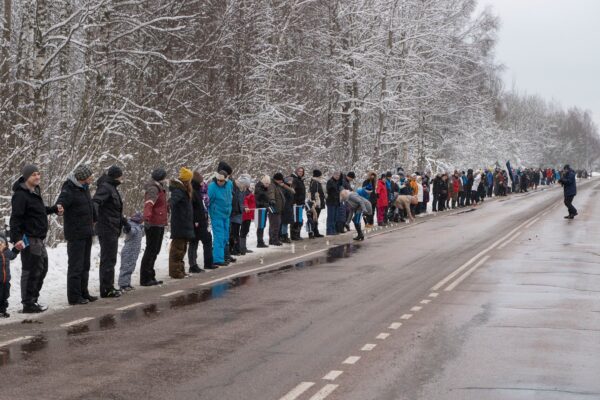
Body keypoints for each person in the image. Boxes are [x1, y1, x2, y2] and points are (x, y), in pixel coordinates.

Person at [10, 164, 61, 313]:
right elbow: (16, 219)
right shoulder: (20, 195)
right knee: (31, 270)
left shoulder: (34, 192)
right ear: (26, 177)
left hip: (39, 238)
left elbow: (38, 211)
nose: (38, 177)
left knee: (42, 269)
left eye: (38, 174)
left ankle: (33, 299)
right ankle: (28, 303)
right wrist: (17, 238)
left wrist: (53, 209)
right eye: (34, 174)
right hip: (29, 238)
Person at [56, 164, 98, 305]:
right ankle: (74, 297)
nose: (92, 178)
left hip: (86, 232)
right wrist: (60, 207)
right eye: (90, 176)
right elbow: (61, 203)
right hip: (75, 234)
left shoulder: (84, 189)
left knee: (85, 264)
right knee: (76, 266)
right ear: (83, 177)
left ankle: (83, 292)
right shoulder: (69, 189)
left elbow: (89, 206)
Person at [93, 166, 128, 298]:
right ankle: (106, 289)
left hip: (112, 227)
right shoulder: (105, 187)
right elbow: (96, 202)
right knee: (108, 259)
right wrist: (94, 218)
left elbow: (114, 210)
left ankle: (109, 286)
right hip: (106, 228)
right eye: (120, 176)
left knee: (110, 259)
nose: (122, 178)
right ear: (116, 176)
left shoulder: (111, 187)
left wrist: (124, 222)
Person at [140, 168, 168, 287]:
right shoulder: (153, 188)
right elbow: (149, 204)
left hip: (159, 222)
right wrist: (147, 218)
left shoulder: (159, 187)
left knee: (155, 250)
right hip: (153, 223)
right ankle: (145, 277)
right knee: (151, 250)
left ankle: (151, 275)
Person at [169, 167, 195, 277]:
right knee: (177, 250)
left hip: (184, 224)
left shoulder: (183, 190)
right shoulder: (179, 191)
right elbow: (171, 202)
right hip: (180, 224)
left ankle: (180, 269)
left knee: (182, 249)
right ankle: (175, 272)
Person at [208, 164, 234, 266]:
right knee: (219, 236)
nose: (220, 182)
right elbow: (208, 200)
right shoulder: (212, 187)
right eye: (218, 180)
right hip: (217, 215)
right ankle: (217, 259)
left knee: (225, 237)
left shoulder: (229, 184)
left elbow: (230, 196)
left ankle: (223, 256)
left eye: (222, 181)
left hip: (226, 215)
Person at [189, 170, 214, 270]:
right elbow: (193, 209)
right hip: (197, 222)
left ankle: (205, 263)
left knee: (204, 240)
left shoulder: (198, 192)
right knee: (195, 242)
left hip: (202, 220)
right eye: (200, 182)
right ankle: (194, 265)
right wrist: (195, 221)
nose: (202, 183)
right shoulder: (193, 192)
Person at [118, 212, 144, 291]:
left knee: (130, 267)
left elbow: (141, 233)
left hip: (134, 252)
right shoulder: (132, 226)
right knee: (126, 267)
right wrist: (127, 227)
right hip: (128, 251)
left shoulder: (138, 227)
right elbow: (130, 231)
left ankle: (127, 283)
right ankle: (123, 284)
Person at [0, 233, 19, 318]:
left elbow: (13, 255)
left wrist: (16, 249)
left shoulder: (7, 252)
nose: (0, 244)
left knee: (5, 295)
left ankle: (3, 311)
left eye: (2, 242)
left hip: (6, 280)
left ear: (5, 244)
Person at [254, 176, 271, 248]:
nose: (267, 185)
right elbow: (257, 200)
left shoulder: (264, 188)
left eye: (268, 184)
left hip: (264, 209)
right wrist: (264, 204)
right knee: (260, 226)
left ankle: (261, 241)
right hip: (260, 209)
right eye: (266, 183)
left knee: (262, 225)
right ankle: (259, 241)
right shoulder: (259, 189)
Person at [290, 167, 306, 240]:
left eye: (302, 171)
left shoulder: (300, 180)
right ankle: (294, 235)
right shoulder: (294, 180)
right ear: (296, 171)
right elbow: (292, 191)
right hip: (296, 203)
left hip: (301, 203)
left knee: (299, 220)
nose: (300, 172)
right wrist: (294, 202)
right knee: (296, 220)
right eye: (299, 171)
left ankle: (297, 234)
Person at [308, 170, 326, 238]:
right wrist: (314, 202)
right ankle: (312, 232)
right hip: (316, 202)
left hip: (318, 201)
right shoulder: (315, 182)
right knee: (314, 217)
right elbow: (313, 193)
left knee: (315, 217)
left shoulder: (316, 182)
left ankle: (315, 231)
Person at [279, 176, 296, 243]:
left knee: (286, 223)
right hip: (285, 207)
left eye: (291, 180)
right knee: (284, 223)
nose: (290, 181)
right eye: (289, 180)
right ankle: (284, 236)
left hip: (289, 207)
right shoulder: (284, 188)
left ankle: (284, 235)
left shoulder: (289, 188)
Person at [240, 181, 255, 255]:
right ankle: (242, 247)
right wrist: (246, 207)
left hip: (249, 215)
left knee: (246, 230)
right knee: (243, 231)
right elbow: (244, 201)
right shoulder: (246, 193)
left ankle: (243, 247)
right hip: (245, 215)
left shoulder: (249, 193)